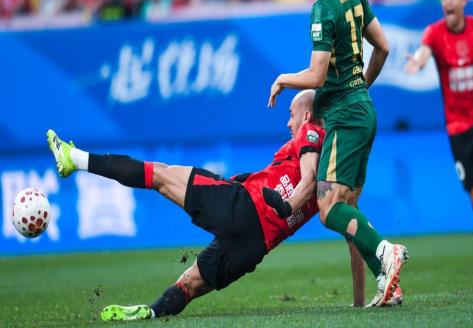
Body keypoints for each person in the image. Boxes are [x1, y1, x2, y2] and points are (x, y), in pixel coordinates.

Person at [47, 90, 325, 321]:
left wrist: (287, 206)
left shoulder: (310, 131)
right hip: (254, 247)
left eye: (291, 114)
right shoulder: (334, 175)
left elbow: (308, 178)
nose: (288, 123)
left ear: (306, 116)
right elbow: (329, 206)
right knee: (189, 285)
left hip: (242, 207)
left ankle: (76, 158)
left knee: (159, 174)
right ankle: (151, 312)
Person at [266, 0, 408, 307]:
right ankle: (386, 283)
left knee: (328, 209)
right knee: (348, 208)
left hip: (345, 117)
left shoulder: (324, 5)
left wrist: (283, 79)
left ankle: (386, 253)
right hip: (363, 109)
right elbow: (383, 47)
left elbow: (316, 74)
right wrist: (360, 86)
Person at [405, 0, 473, 265]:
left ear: (463, 1)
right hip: (457, 128)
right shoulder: (434, 33)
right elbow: (424, 51)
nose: (448, 1)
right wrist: (419, 61)